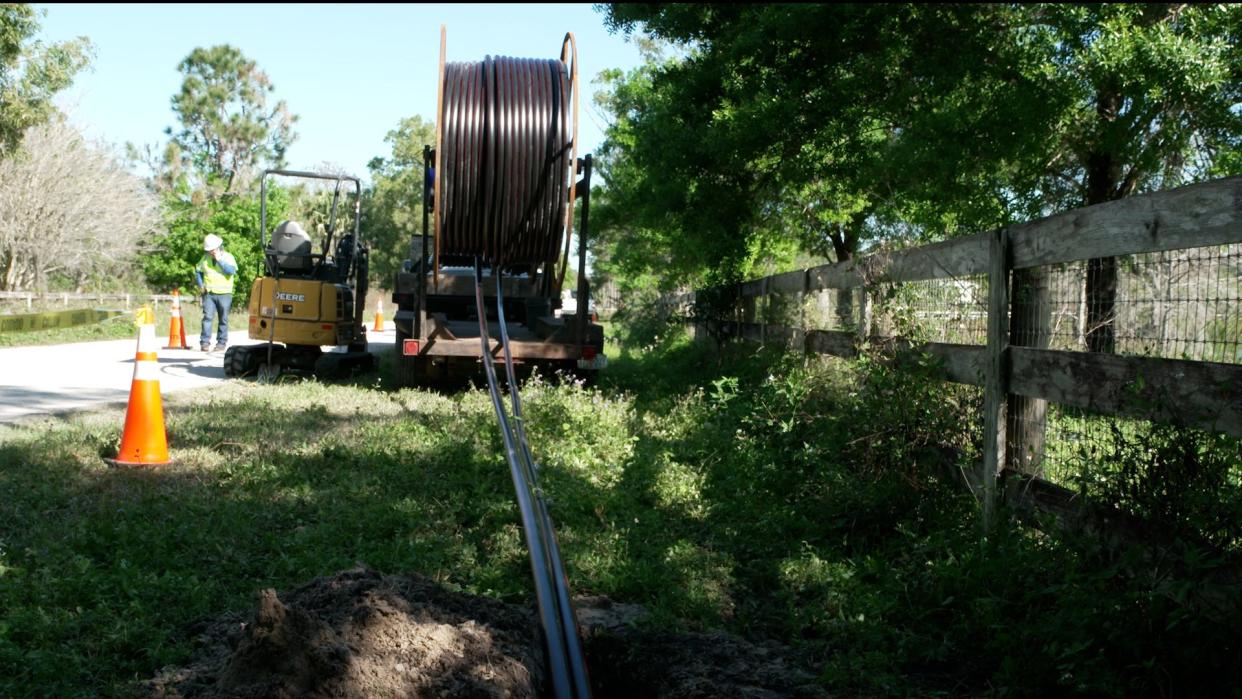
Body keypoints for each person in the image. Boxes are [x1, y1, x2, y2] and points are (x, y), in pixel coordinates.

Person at [195, 233, 238, 352]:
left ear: (218, 247)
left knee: (223, 318)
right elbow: (198, 271)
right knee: (207, 317)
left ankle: (221, 343)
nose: (210, 252)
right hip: (209, 293)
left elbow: (231, 271)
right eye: (209, 250)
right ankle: (204, 343)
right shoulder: (205, 258)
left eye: (212, 250)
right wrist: (200, 285)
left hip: (225, 293)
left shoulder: (228, 257)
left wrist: (219, 260)